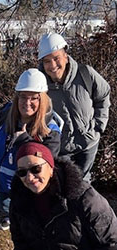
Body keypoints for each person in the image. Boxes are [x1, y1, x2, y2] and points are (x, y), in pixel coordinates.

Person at [0, 68, 62, 231]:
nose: (27, 103)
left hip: (26, 191)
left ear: (43, 100)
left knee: (24, 223)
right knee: (5, 205)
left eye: (34, 98)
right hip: (0, 181)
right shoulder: (6, 113)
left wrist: (25, 141)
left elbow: (46, 165)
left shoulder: (50, 131)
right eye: (23, 97)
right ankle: (8, 215)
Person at [10, 141, 117, 249]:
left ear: (51, 168)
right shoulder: (19, 200)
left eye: (36, 169)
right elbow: (20, 241)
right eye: (22, 172)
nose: (29, 178)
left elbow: (111, 241)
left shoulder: (85, 197)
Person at [38, 32, 111, 183]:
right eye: (47, 61)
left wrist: (98, 126)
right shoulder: (39, 85)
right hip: (61, 149)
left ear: (65, 55)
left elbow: (103, 95)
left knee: (83, 184)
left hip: (88, 144)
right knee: (63, 186)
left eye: (56, 58)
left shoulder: (85, 73)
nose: (52, 65)